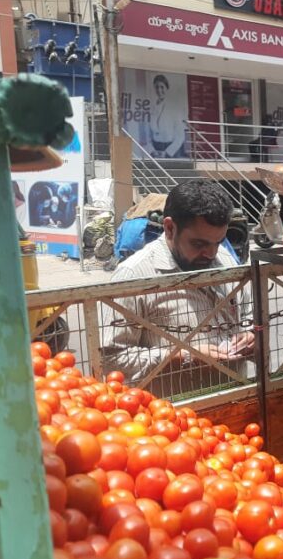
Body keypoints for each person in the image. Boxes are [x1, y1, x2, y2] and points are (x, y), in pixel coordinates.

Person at [101, 180, 252, 395]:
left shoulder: (225, 259)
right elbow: (111, 360)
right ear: (170, 228)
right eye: (199, 244)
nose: (211, 254)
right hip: (170, 415)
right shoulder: (132, 276)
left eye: (218, 242)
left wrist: (248, 335)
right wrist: (181, 356)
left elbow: (248, 313)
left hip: (233, 400)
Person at [147, 74, 187, 159]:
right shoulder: (152, 107)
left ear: (167, 88)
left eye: (162, 87)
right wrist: (152, 151)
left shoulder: (174, 106)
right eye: (156, 87)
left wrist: (168, 152)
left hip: (171, 150)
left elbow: (180, 136)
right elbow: (148, 133)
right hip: (156, 149)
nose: (159, 90)